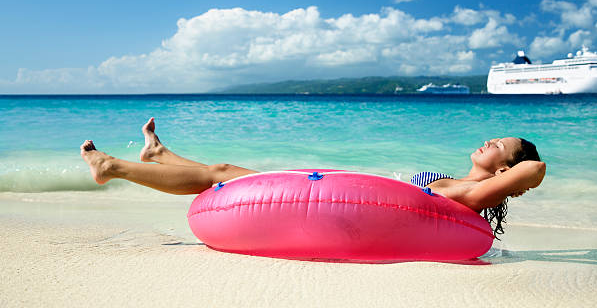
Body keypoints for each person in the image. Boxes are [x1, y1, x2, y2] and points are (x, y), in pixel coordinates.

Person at [80, 117, 545, 238]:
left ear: (505, 169)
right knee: (224, 172)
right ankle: (159, 153)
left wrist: (519, 165)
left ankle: (114, 167)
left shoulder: (478, 192)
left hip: (345, 201)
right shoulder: (455, 180)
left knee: (221, 175)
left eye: (499, 145)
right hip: (346, 190)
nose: (490, 141)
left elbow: (536, 168)